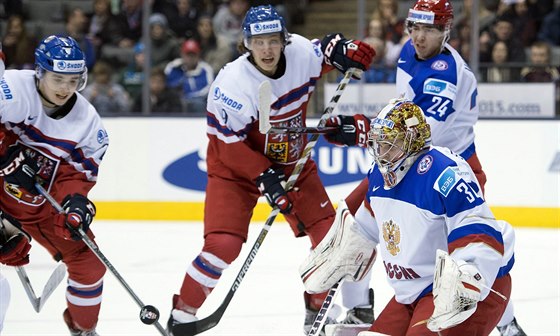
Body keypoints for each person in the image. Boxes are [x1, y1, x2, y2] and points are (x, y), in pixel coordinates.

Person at [166, 4, 375, 335]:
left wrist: (344, 50)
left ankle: (315, 311)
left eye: (273, 40)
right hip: (235, 171)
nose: (267, 49)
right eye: (259, 41)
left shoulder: (301, 53)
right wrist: (264, 176)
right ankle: (183, 314)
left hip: (292, 163)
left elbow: (325, 53)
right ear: (246, 43)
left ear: (284, 39)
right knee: (223, 245)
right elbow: (226, 144)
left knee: (331, 242)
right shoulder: (232, 83)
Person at [324, 0, 526, 334]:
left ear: (446, 31)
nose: (419, 37)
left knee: (464, 257)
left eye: (429, 30)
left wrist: (362, 129)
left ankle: (505, 321)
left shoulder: (446, 74)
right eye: (414, 28)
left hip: (447, 168)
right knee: (353, 222)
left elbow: (423, 130)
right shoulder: (408, 52)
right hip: (404, 161)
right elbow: (403, 115)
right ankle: (359, 307)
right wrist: (350, 57)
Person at [301, 98, 516, 336]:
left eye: (390, 144)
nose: (382, 153)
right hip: (414, 292)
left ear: (414, 142)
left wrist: (466, 278)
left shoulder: (444, 171)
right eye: (379, 144)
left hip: (466, 289)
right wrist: (344, 253)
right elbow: (366, 227)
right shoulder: (379, 175)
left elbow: (476, 228)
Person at [0, 35, 109, 336]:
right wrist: (5, 154)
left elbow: (76, 176)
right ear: (40, 72)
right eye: (57, 78)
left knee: (89, 263)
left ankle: (83, 328)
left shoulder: (89, 124)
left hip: (39, 207)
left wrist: (75, 203)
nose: (65, 88)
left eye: (72, 80)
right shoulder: (11, 88)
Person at [164, 39, 214, 114]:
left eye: (193, 55)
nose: (190, 58)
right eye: (187, 55)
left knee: (198, 104)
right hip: (175, 100)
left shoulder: (206, 69)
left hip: (198, 101)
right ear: (182, 55)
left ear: (198, 55)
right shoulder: (173, 67)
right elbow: (166, 83)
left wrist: (189, 96)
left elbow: (209, 89)